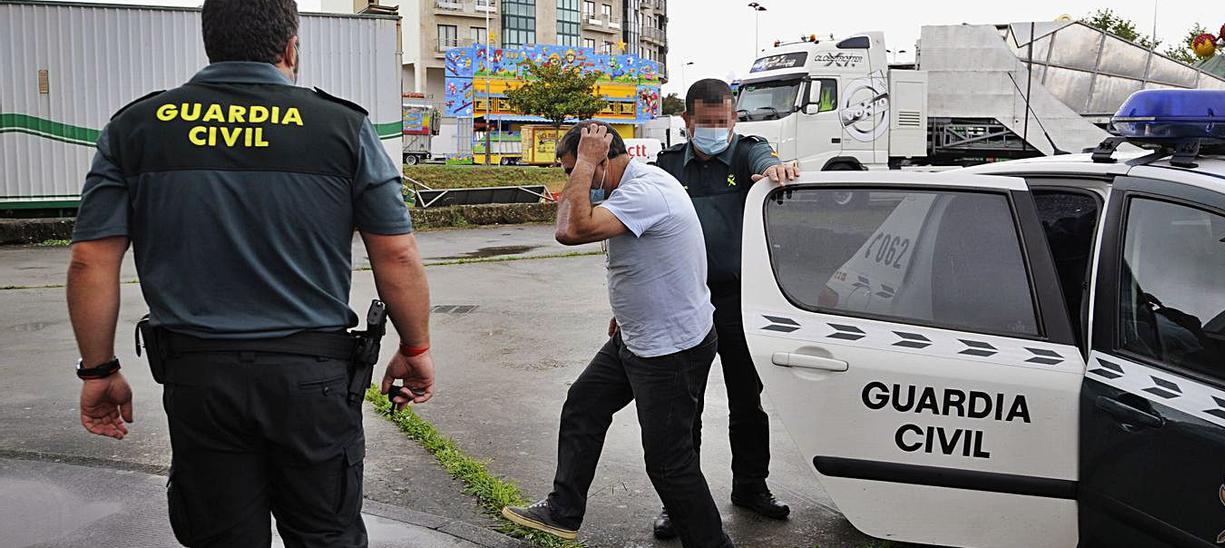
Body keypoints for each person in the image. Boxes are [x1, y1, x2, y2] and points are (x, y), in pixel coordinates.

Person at [66, 0, 436, 545]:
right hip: (313, 380)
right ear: (290, 47)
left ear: (211, 45)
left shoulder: (137, 127)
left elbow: (90, 259)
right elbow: (397, 255)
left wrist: (98, 371)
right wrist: (416, 347)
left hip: (199, 378)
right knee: (325, 534)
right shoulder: (342, 126)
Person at [500, 121, 733, 547]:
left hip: (669, 349)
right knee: (583, 406)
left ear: (602, 160)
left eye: (579, 172)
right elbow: (649, 261)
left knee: (668, 463)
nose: (576, 182)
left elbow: (569, 230)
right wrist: (624, 313)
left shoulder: (647, 191)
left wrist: (584, 164)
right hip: (636, 335)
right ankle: (563, 512)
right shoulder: (626, 188)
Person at [649, 78, 799, 539]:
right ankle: (680, 503)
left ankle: (751, 487)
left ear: (734, 118)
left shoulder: (748, 153)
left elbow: (766, 159)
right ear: (687, 121)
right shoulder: (670, 166)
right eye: (707, 122)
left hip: (738, 300)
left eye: (724, 120)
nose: (717, 129)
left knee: (746, 400)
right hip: (685, 300)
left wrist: (776, 169)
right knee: (684, 405)